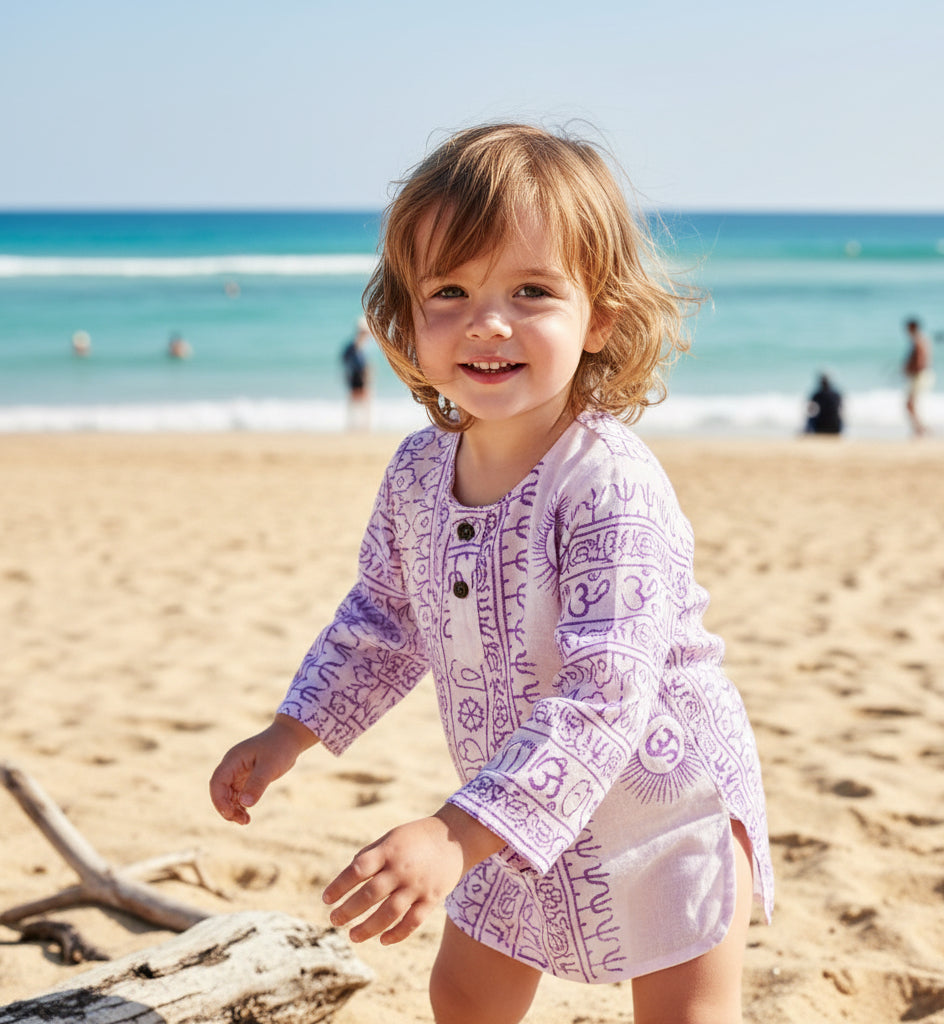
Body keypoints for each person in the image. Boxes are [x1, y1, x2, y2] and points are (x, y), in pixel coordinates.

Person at [210, 123, 773, 1024]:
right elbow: (384, 618)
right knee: (465, 994)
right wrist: (290, 732)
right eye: (451, 290)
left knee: (687, 1011)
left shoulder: (608, 484)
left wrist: (448, 835)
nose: (488, 321)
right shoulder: (418, 473)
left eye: (532, 290)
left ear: (600, 320)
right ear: (405, 318)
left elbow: (604, 697)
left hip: (661, 810)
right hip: (504, 795)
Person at [340, 317, 373, 429]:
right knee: (356, 402)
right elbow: (345, 361)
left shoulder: (362, 346)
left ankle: (363, 425)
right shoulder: (354, 346)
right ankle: (354, 425)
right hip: (356, 376)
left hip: (361, 376)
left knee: (364, 402)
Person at [903, 318, 933, 436]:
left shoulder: (918, 341)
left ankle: (921, 428)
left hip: (920, 375)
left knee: (910, 404)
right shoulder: (921, 340)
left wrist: (910, 369)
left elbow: (921, 362)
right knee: (912, 404)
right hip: (921, 375)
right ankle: (920, 428)